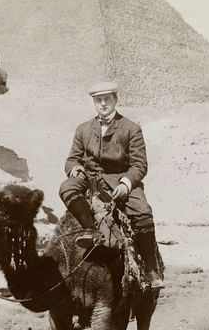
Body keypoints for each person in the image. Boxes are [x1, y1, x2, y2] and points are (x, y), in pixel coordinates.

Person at [59, 81, 164, 289]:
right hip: (91, 179)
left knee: (143, 214)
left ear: (115, 100)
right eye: (98, 100)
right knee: (66, 187)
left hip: (120, 180)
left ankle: (151, 270)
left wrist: (126, 184)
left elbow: (139, 165)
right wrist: (75, 169)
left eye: (107, 99)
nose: (103, 104)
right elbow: (72, 159)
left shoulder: (131, 128)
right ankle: (91, 230)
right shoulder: (83, 129)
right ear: (94, 103)